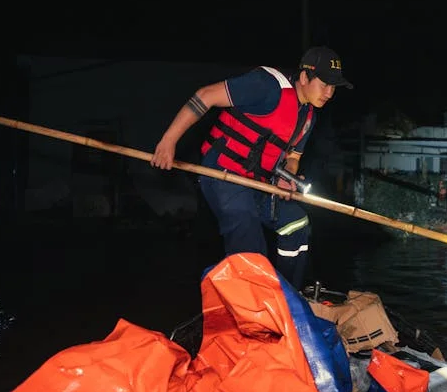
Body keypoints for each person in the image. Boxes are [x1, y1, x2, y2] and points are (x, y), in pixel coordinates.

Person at [151, 46, 353, 290]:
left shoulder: (308, 115)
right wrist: (169, 141)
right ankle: (252, 307)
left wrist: (286, 177)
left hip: (258, 182)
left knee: (296, 223)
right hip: (223, 175)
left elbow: (292, 157)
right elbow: (205, 95)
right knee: (249, 242)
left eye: (334, 87)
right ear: (303, 77)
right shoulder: (266, 85)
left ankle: (287, 296)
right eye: (325, 84)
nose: (330, 93)